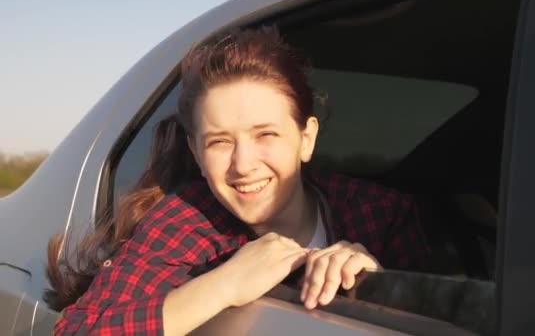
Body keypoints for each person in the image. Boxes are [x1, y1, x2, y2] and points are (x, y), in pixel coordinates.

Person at [45, 26, 429, 335]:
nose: (243, 165)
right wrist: (222, 286)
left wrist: (382, 286)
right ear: (196, 153)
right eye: (219, 142)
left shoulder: (379, 213)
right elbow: (78, 331)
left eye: (266, 135)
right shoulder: (187, 222)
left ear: (306, 139)